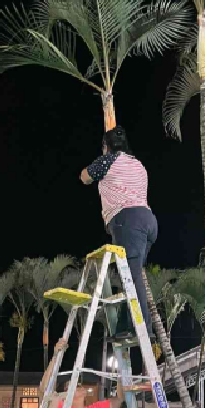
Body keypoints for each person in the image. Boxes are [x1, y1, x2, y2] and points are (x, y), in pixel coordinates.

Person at [80, 126, 158, 339]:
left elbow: (84, 177)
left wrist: (100, 160)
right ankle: (125, 326)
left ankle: (144, 329)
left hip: (128, 221)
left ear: (106, 146)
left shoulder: (108, 160)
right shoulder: (138, 164)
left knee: (132, 277)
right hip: (148, 221)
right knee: (129, 277)